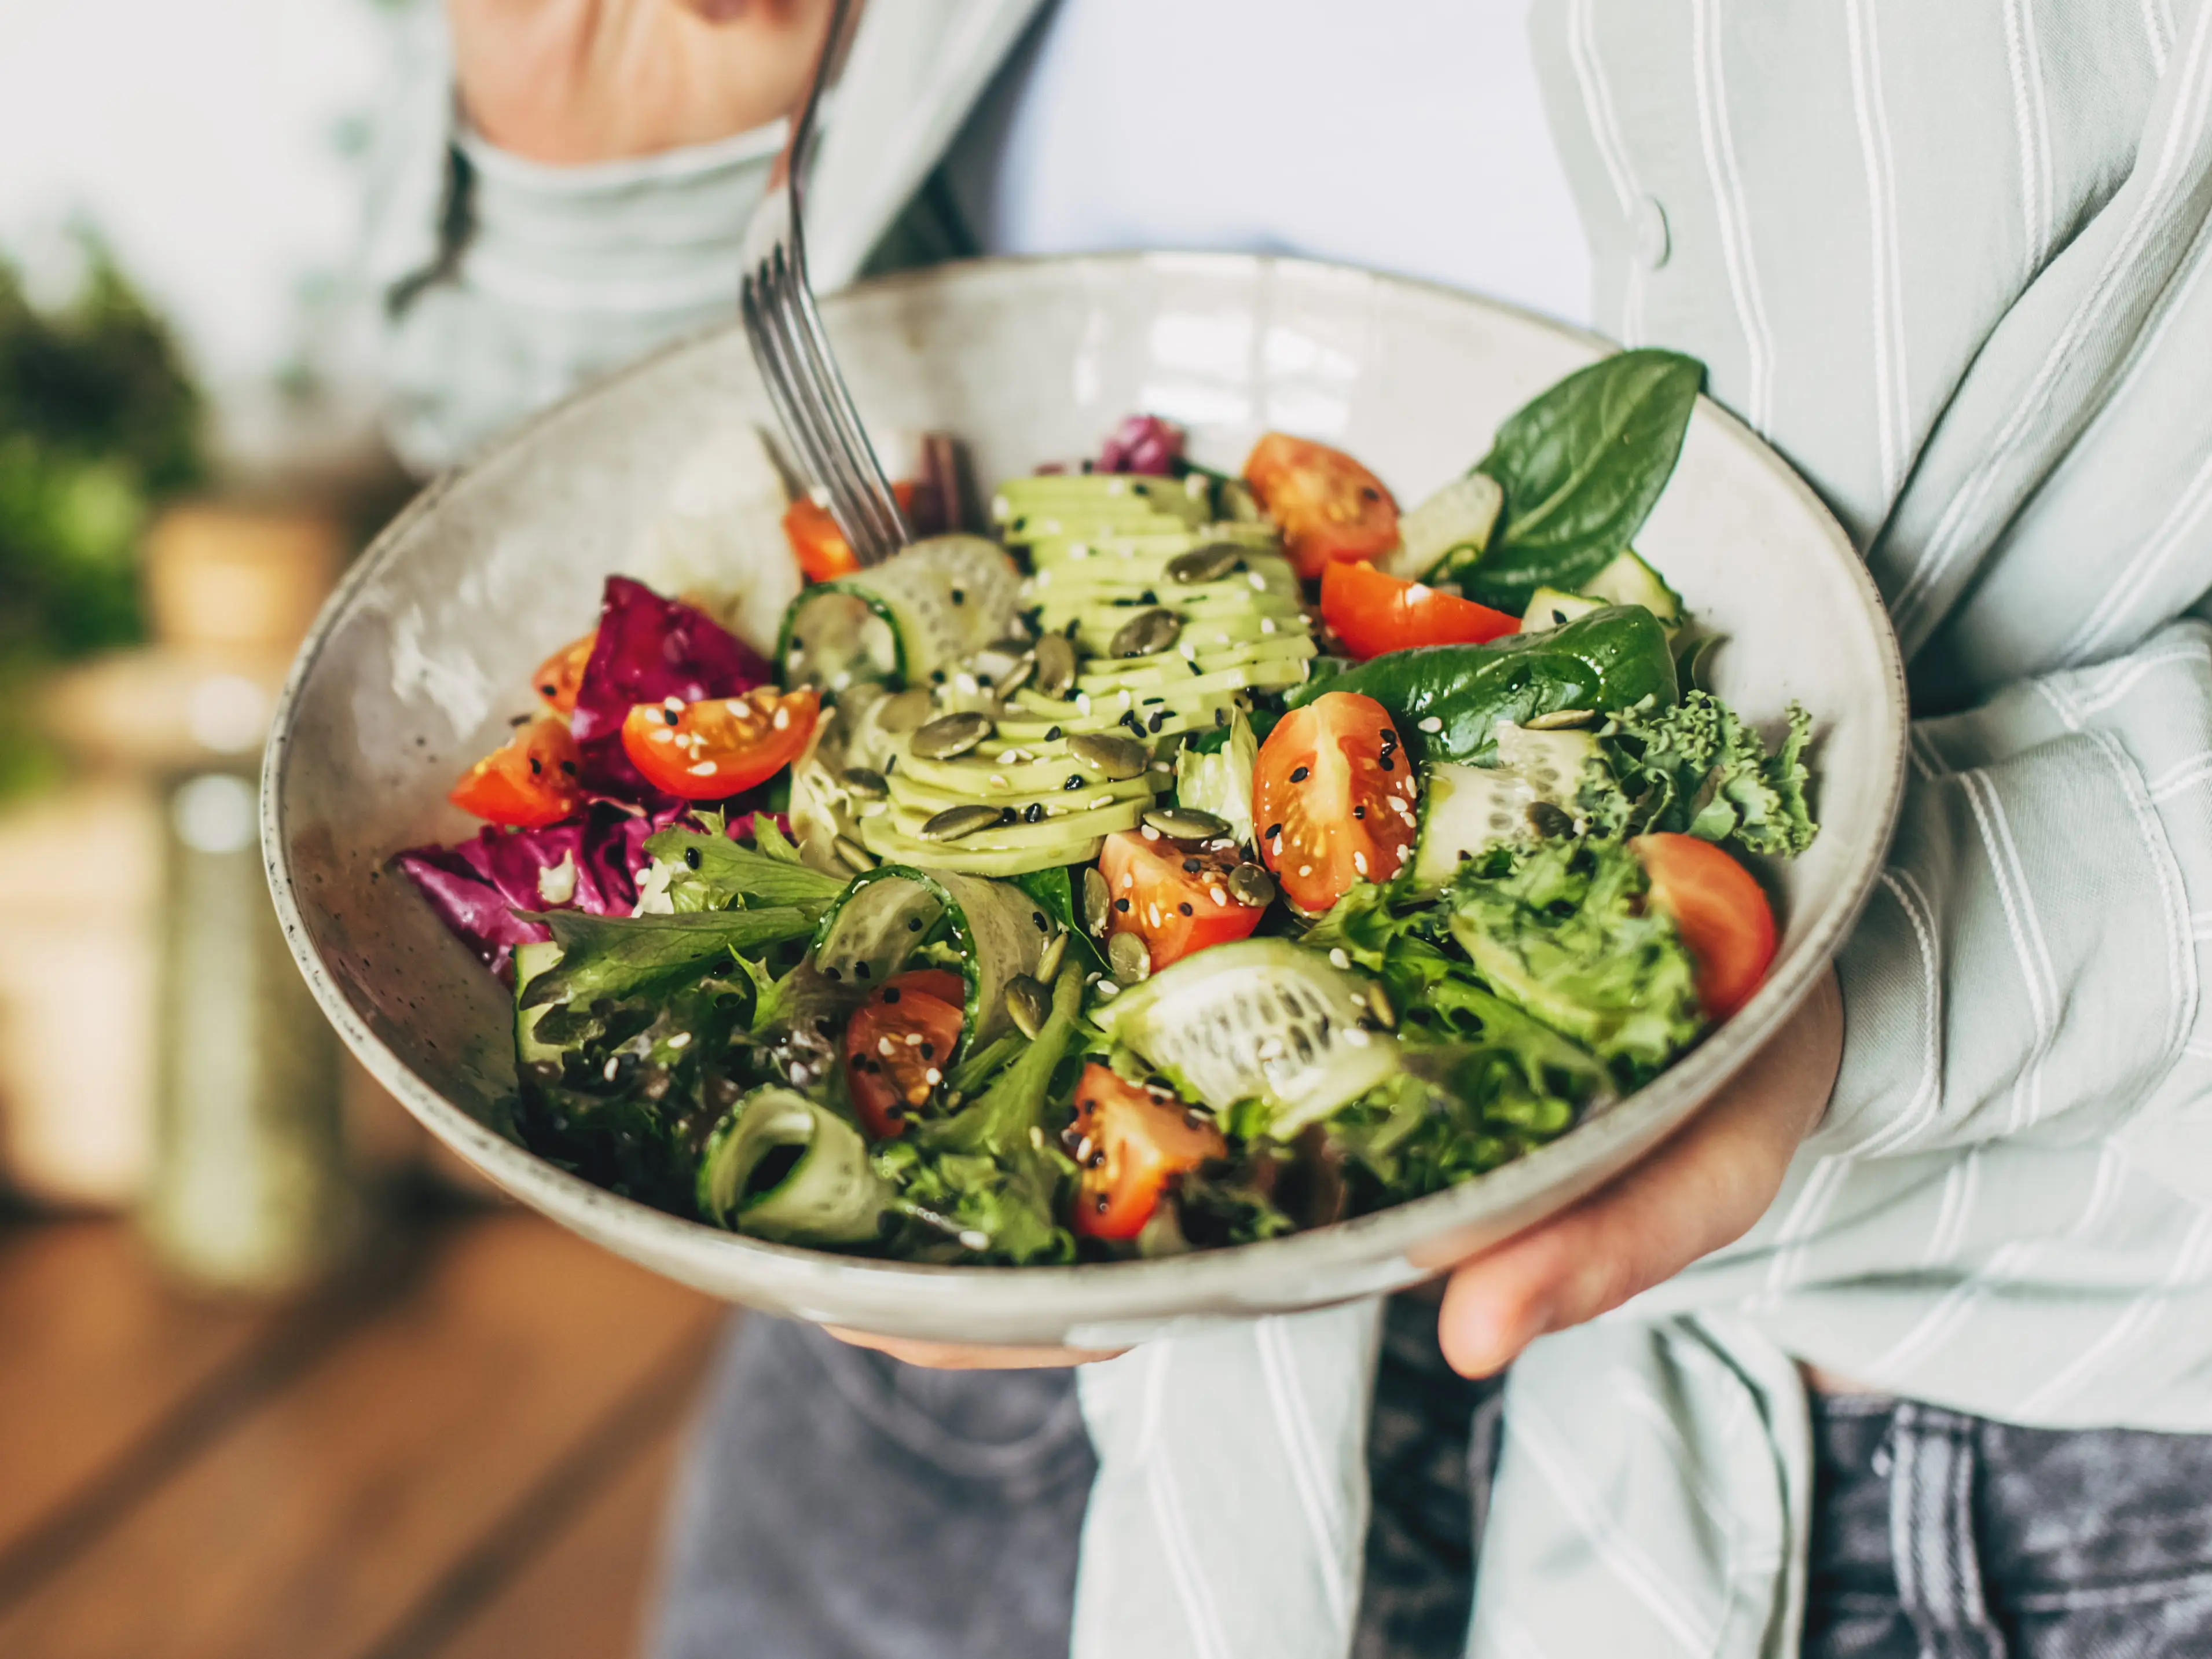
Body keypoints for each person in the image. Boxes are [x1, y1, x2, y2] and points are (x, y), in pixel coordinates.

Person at [368, 2, 2212, 1654]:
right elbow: (559, 532)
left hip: (1972, 1479)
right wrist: (623, 176)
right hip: (975, 1395)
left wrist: (1905, 945)